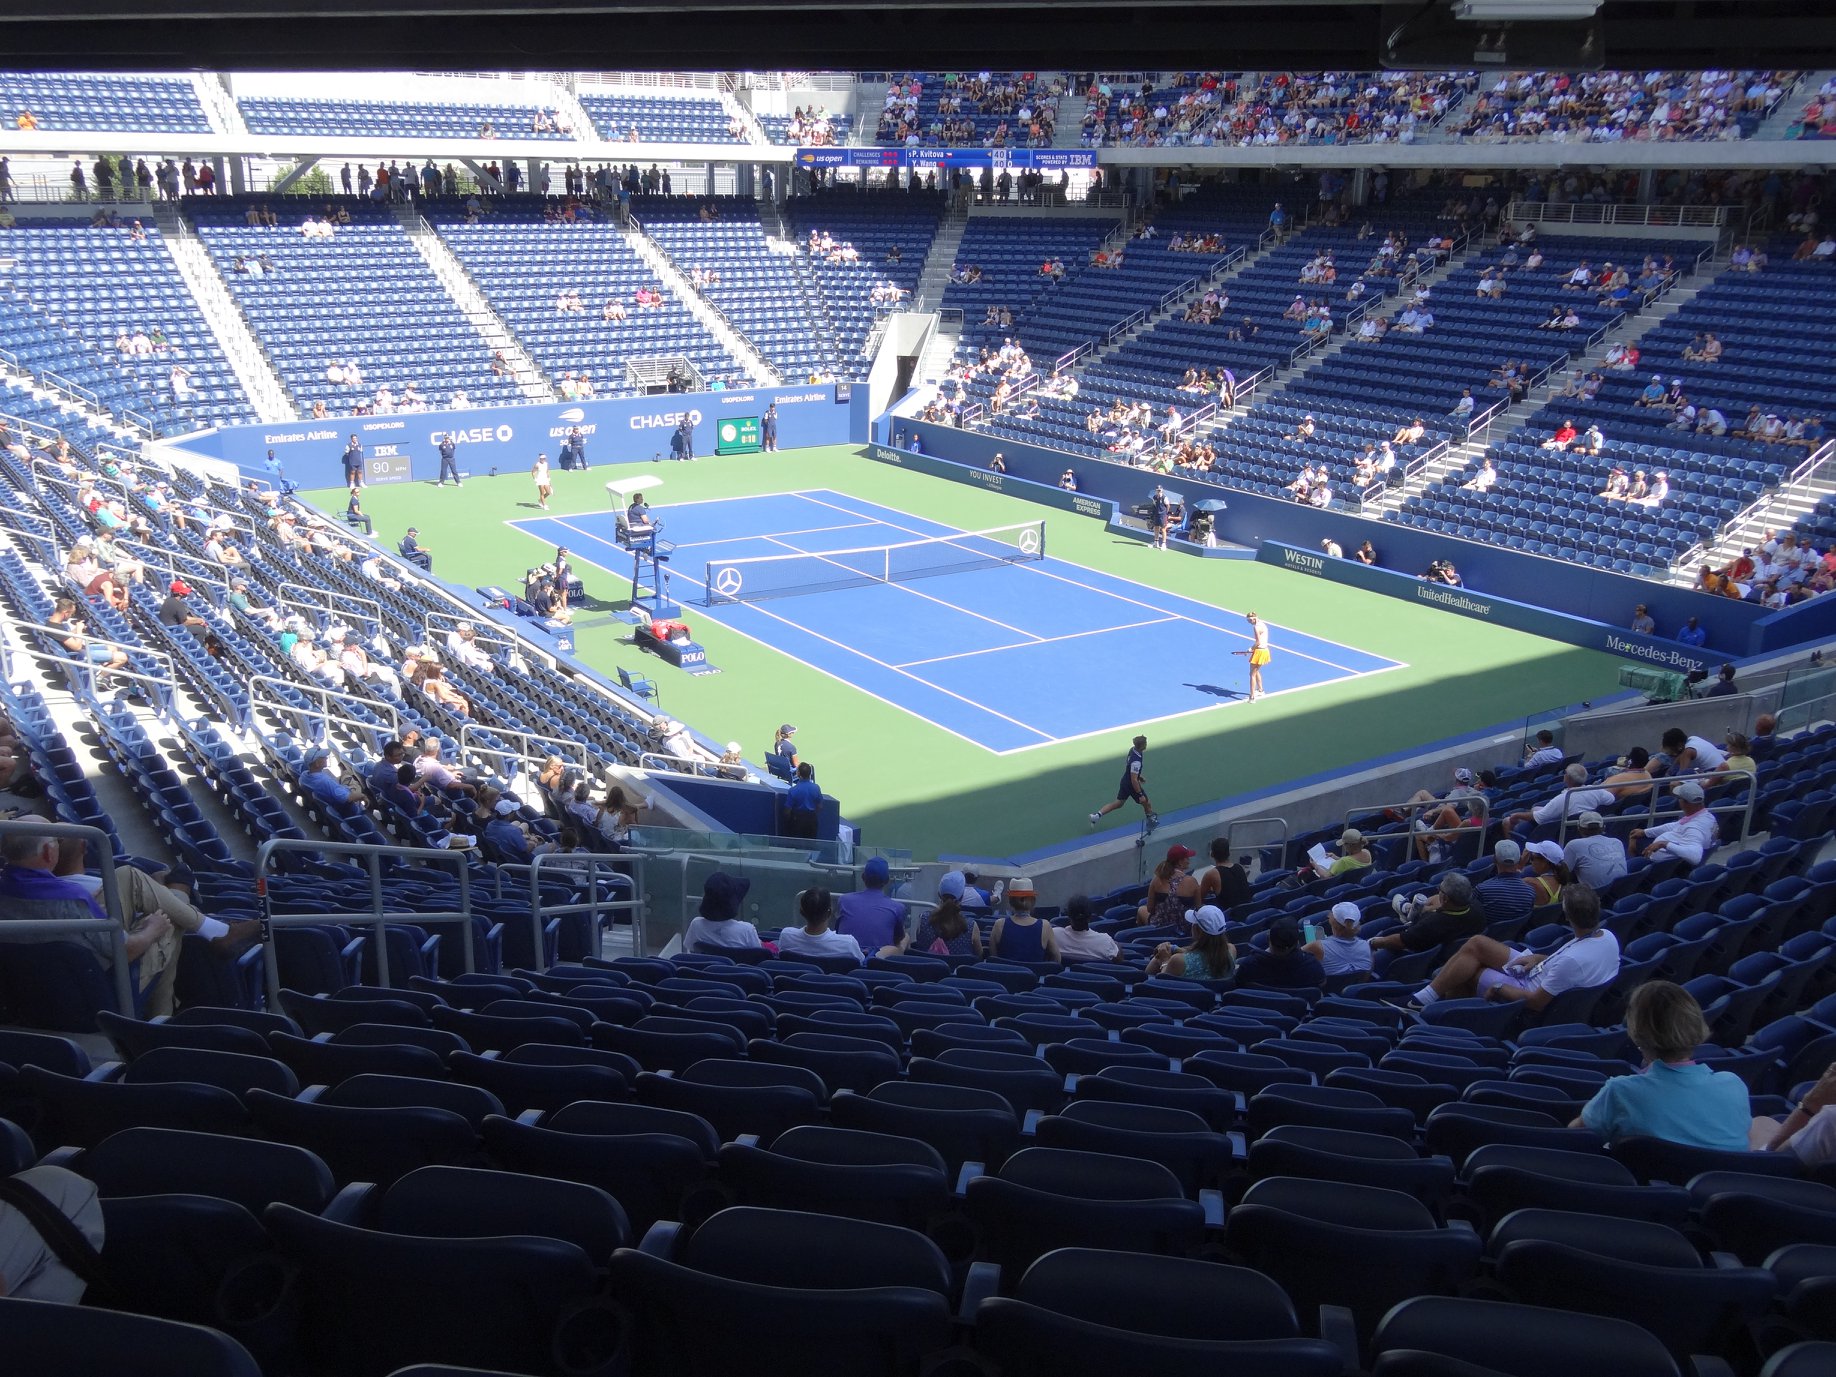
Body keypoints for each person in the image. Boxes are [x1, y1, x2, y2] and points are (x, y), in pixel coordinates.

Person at [0, 830, 257, 1019]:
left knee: (128, 875)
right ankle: (161, 1018)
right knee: (167, 922)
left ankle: (209, 931)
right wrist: (151, 929)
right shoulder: (70, 901)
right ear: (48, 851)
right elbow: (125, 952)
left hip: (34, 995)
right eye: (56, 840)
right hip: (101, 991)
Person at [1573, 981, 1755, 1150]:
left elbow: (1577, 1136)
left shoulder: (1621, 1091)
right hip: (1723, 1183)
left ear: (1637, 1032)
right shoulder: (1733, 1084)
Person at [1403, 883, 1618, 1013]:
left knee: (1469, 971)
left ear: (1568, 916)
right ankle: (1428, 996)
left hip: (1527, 987)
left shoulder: (1571, 963)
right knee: (1477, 943)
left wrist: (1499, 988)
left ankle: (1442, 1016)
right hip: (1537, 970)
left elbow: (1536, 1002)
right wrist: (1538, 958)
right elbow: (1567, 959)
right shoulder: (1608, 936)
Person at [1369, 872, 1485, 963]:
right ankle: (1407, 909)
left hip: (1416, 952)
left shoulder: (1431, 924)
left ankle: (1406, 909)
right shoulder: (1477, 908)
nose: (1438, 891)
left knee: (1395, 903)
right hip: (1450, 953)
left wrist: (1373, 943)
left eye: (1440, 890)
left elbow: (1400, 941)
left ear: (1445, 899)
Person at [1629, 780, 1719, 867]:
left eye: (1679, 798)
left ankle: (1636, 870)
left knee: (1634, 839)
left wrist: (1664, 844)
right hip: (1669, 855)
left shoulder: (1694, 830)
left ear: (1684, 803)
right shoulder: (1707, 816)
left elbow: (1695, 857)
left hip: (1662, 864)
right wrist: (1645, 832)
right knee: (1637, 834)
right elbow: (1676, 825)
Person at [836, 855, 907, 956]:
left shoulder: (844, 900)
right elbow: (898, 939)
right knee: (906, 937)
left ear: (863, 877)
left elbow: (839, 930)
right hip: (878, 964)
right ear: (887, 880)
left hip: (846, 962)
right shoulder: (897, 907)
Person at [1145, 904, 1236, 981]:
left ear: (1198, 931)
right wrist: (1178, 950)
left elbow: (1161, 983)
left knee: (1157, 959)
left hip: (1181, 1000)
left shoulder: (1178, 961)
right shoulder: (1231, 950)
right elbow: (1207, 955)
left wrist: (1164, 961)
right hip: (1211, 1001)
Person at [776, 887, 864, 963]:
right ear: (829, 912)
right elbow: (861, 963)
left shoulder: (786, 936)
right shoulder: (848, 943)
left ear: (801, 911)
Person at [1236, 917, 1326, 990]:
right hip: (1295, 1012)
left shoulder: (1249, 964)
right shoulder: (1311, 965)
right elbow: (1321, 984)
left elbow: (1238, 983)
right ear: (1297, 943)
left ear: (1268, 938)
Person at [683, 871, 762, 952]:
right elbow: (759, 955)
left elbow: (691, 948)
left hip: (707, 965)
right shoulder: (747, 930)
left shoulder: (696, 924)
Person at [1091, 734, 1156, 829]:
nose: (1146, 744)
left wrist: (1139, 776)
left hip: (1125, 781)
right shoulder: (1136, 761)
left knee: (1118, 803)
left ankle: (1096, 816)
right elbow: (1134, 780)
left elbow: (1130, 768)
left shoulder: (1133, 749)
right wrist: (1140, 794)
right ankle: (1151, 823)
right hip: (1131, 784)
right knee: (1146, 802)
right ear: (1142, 745)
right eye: (1145, 743)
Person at [912, 872, 982, 957]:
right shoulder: (971, 926)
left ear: (939, 894)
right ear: (962, 897)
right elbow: (979, 956)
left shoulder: (923, 919)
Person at [1472, 840, 1535, 928]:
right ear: (1520, 859)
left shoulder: (1482, 889)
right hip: (1514, 938)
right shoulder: (1530, 891)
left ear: (1494, 859)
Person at [1562, 811, 1628, 891]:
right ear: (1603, 827)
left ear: (1579, 828)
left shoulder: (1573, 845)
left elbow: (1562, 874)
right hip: (1622, 890)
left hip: (1593, 896)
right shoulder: (1617, 842)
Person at [1137, 843, 1199, 927]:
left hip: (1160, 928)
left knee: (1141, 909)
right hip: (1185, 928)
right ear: (1180, 862)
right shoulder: (1192, 881)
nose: (1189, 860)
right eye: (1187, 858)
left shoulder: (1156, 880)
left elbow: (1150, 909)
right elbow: (1198, 907)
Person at [1305, 901, 1372, 977]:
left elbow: (1294, 957)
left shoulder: (1316, 946)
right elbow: (1366, 976)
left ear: (1332, 922)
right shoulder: (1367, 946)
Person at [1054, 894, 1119, 963]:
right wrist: (1116, 944)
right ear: (1090, 917)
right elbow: (1119, 960)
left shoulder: (1053, 935)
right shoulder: (1105, 941)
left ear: (1069, 917)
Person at [1233, 611, 1271, 701]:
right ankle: (1261, 690)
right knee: (1256, 670)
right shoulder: (1262, 624)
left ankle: (1252, 696)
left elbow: (1258, 642)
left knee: (1252, 674)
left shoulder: (1256, 627)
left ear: (1254, 618)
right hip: (1264, 650)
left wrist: (1250, 649)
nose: (1249, 622)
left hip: (1259, 651)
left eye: (1249, 620)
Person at [782, 762, 821, 839]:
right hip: (812, 820)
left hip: (797, 821)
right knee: (811, 845)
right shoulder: (816, 788)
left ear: (798, 773)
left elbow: (787, 811)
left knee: (797, 846)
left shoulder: (793, 790)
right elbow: (820, 806)